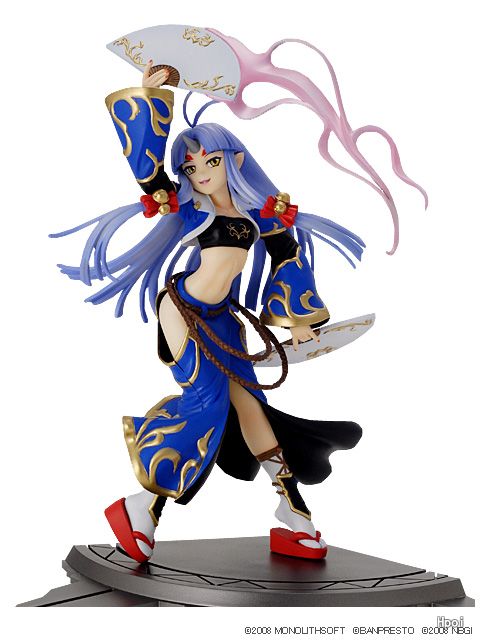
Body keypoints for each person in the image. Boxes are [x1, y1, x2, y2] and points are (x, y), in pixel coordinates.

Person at [51, 47, 423, 562]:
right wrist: (151, 96)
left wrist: (299, 321)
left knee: (250, 404)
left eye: (210, 161)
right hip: (183, 310)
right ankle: (142, 504)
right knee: (209, 403)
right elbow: (149, 178)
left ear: (234, 160)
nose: (201, 172)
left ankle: (294, 514)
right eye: (191, 166)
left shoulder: (260, 213)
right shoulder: (189, 207)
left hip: (223, 317)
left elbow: (287, 255)